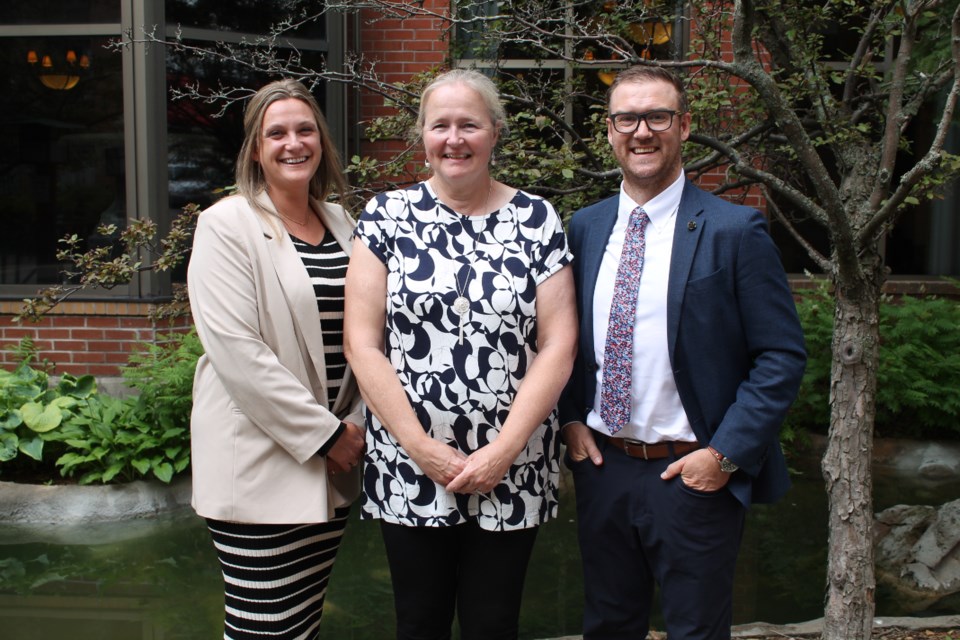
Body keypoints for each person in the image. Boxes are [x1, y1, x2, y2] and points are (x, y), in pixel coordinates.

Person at [559, 66, 807, 640]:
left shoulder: (735, 230)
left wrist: (724, 457)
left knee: (697, 631)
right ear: (610, 129)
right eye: (627, 118)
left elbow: (780, 356)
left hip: (693, 474)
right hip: (605, 468)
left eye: (658, 117)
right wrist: (571, 420)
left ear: (685, 126)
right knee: (607, 626)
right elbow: (563, 341)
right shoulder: (585, 228)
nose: (641, 131)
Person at [344, 69, 577, 640]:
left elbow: (559, 343)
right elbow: (362, 342)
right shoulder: (385, 217)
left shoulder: (537, 219)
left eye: (469, 124)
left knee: (494, 623)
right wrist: (421, 447)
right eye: (440, 125)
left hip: (513, 464)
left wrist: (504, 450)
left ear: (494, 132)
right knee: (419, 622)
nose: (455, 139)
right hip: (410, 462)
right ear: (422, 135)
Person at [187, 79, 365, 640]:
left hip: (334, 459)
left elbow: (369, 335)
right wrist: (327, 436)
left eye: (305, 129)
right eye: (277, 132)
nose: (294, 143)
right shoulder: (225, 225)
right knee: (262, 624)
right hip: (262, 459)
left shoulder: (343, 223)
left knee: (301, 619)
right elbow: (238, 353)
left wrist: (356, 424)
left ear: (322, 141)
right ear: (256, 149)